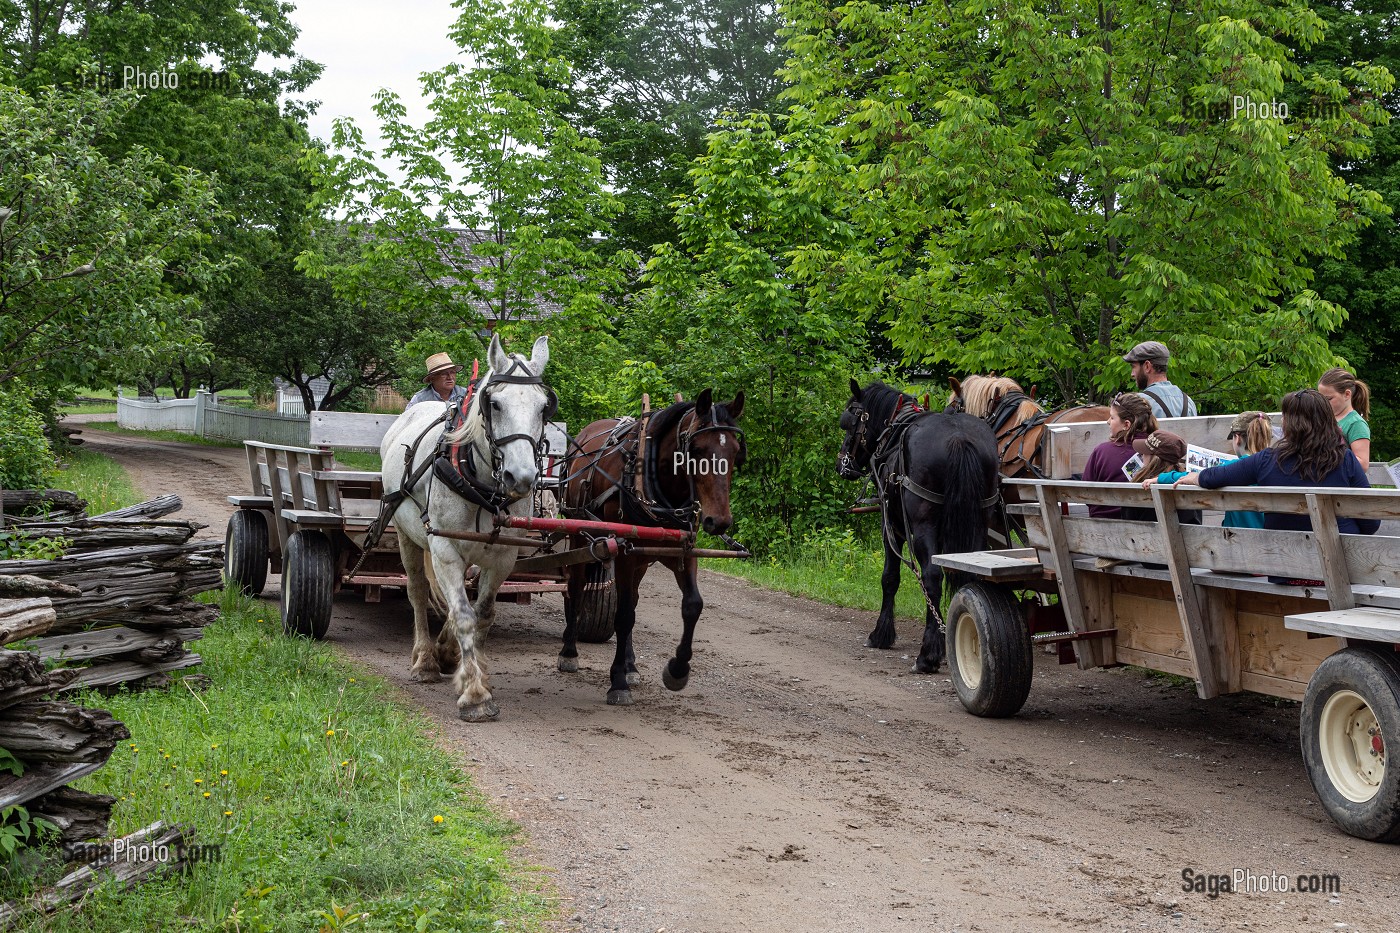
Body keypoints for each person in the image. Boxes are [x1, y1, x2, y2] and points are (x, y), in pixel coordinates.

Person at [1173, 390, 1378, 583]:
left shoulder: (1268, 460)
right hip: (1339, 572)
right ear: (1327, 421)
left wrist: (1193, 477)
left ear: (1289, 424)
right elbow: (1371, 523)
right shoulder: (1347, 460)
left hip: (1285, 570)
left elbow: (1217, 476)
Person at [1147, 411, 1272, 529]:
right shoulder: (1275, 465)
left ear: (1237, 438)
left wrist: (1160, 478)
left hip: (1238, 539)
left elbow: (1192, 476)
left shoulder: (1234, 467)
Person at [1082, 392, 1157, 518]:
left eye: (1112, 418)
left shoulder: (1101, 451)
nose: (1108, 422)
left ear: (1126, 424)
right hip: (1147, 532)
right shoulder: (1159, 451)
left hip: (1100, 530)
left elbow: (1085, 494)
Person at [1122, 341, 1197, 419]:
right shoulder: (1188, 402)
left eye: (1134, 367)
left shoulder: (1138, 404)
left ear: (1147, 366)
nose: (1132, 374)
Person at [1318, 366, 1371, 470]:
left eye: (1328, 399)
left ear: (1347, 394)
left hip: (1344, 484)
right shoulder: (1323, 418)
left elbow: (1363, 465)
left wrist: (1327, 456)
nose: (1323, 403)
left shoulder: (1356, 423)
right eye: (1321, 398)